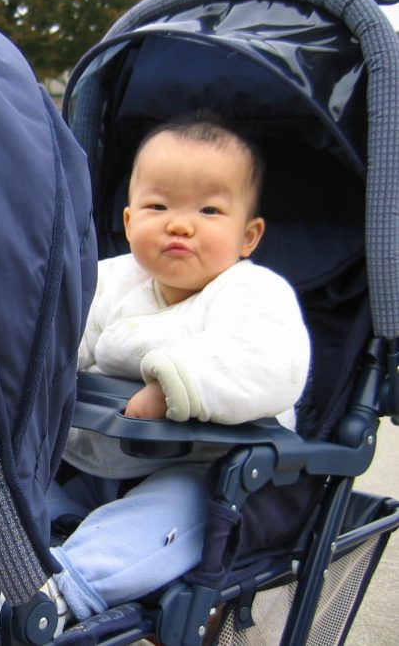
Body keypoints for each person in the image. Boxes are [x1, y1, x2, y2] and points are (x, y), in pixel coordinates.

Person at [46, 116, 311, 622]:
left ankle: (63, 587)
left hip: (206, 467)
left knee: (186, 507)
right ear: (128, 223)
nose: (180, 223)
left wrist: (174, 386)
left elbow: (274, 366)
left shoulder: (253, 294)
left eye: (209, 210)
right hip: (96, 459)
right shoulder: (110, 280)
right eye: (158, 206)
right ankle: (33, 535)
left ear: (248, 235)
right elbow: (66, 337)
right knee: (19, 465)